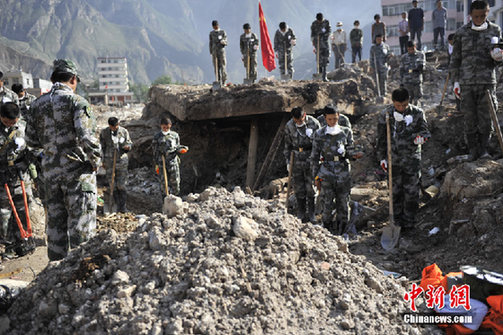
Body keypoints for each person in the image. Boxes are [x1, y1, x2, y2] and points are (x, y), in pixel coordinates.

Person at [26, 59, 101, 261]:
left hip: (51, 175)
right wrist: (96, 162)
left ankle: (56, 275)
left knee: (56, 225)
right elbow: (87, 137)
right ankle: (81, 273)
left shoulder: (36, 105)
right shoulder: (77, 102)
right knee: (81, 227)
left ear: (52, 80)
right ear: (74, 80)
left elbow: (31, 141)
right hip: (77, 174)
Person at [450, 0, 503, 160]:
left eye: (483, 15)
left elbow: (498, 56)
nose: (479, 19)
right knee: (470, 118)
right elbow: (455, 59)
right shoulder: (461, 33)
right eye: (476, 16)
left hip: (487, 82)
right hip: (466, 83)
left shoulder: (495, 30)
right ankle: (473, 151)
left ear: (487, 13)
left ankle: (484, 150)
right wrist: (456, 82)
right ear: (470, 15)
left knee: (486, 118)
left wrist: (498, 57)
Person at [376, 88, 430, 230]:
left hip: (411, 159)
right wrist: (382, 158)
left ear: (408, 102)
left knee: (411, 192)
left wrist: (420, 138)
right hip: (393, 159)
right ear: (393, 102)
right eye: (398, 105)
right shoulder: (386, 114)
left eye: (404, 105)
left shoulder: (417, 113)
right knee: (395, 192)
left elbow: (425, 132)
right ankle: (396, 223)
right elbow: (381, 138)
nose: (401, 108)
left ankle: (410, 223)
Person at [311, 106, 359, 235]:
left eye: (335, 119)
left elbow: (351, 149)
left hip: (343, 170)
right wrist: (315, 177)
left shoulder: (346, 132)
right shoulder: (319, 134)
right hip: (326, 171)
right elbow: (315, 156)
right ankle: (327, 231)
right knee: (327, 202)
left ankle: (343, 230)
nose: (333, 122)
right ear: (325, 118)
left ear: (339, 116)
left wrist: (351, 153)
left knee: (343, 202)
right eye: (330, 119)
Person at [0, 102, 33, 256]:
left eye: (13, 122)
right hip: (2, 175)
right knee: (4, 212)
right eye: (7, 122)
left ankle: (24, 240)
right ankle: (8, 245)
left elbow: (36, 147)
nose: (10, 124)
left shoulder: (24, 127)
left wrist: (26, 159)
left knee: (24, 207)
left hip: (21, 174)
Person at [283, 107, 320, 223]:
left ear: (304, 115)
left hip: (310, 157)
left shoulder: (314, 123)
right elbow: (287, 145)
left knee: (311, 188)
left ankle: (312, 214)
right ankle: (301, 212)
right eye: (296, 120)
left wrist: (312, 137)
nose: (298, 122)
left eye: (300, 120)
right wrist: (288, 162)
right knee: (299, 187)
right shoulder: (289, 125)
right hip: (296, 158)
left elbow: (320, 142)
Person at [99, 117, 132, 213]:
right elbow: (101, 147)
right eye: (113, 127)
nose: (116, 128)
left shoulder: (124, 131)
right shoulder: (104, 133)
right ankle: (114, 205)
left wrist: (127, 147)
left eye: (117, 125)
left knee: (121, 185)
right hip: (109, 162)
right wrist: (103, 161)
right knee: (112, 184)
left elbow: (129, 143)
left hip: (121, 161)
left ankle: (123, 207)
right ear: (110, 126)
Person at [152, 117, 188, 196]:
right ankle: (165, 201)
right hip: (162, 163)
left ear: (170, 126)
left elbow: (177, 146)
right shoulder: (157, 137)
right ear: (161, 126)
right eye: (164, 127)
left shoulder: (174, 135)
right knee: (163, 184)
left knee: (175, 182)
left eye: (167, 127)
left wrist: (181, 150)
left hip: (173, 162)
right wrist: (156, 165)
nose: (165, 129)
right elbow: (155, 151)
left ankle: (175, 200)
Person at [400, 41, 425, 106]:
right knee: (408, 101)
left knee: (417, 100)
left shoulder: (420, 54)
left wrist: (411, 70)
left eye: (412, 49)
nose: (410, 51)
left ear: (415, 47)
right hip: (407, 83)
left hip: (416, 81)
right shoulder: (404, 57)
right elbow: (402, 70)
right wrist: (401, 83)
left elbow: (421, 68)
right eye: (409, 49)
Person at [311, 13, 331, 81]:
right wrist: (313, 41)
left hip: (325, 44)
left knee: (325, 60)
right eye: (318, 21)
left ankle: (324, 76)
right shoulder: (314, 24)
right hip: (317, 45)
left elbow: (329, 31)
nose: (319, 22)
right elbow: (312, 34)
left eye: (320, 20)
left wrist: (323, 35)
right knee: (319, 60)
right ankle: (319, 75)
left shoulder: (326, 22)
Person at [209, 20, 228, 85]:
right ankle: (218, 80)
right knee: (216, 66)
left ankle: (224, 81)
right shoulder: (211, 33)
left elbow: (226, 41)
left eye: (216, 26)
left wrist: (223, 42)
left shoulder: (222, 32)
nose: (215, 27)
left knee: (223, 65)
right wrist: (211, 51)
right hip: (214, 51)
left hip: (221, 51)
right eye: (214, 26)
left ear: (218, 25)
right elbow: (210, 43)